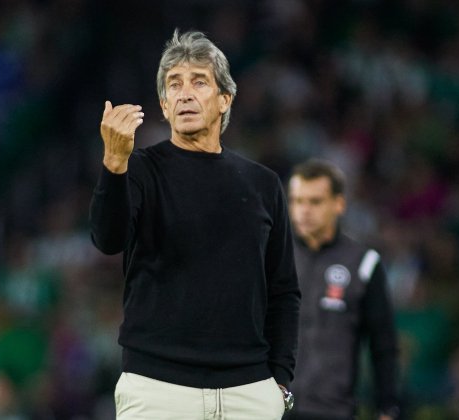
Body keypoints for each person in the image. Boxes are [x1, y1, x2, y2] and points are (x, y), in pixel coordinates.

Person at [89, 29, 301, 419]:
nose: (184, 92)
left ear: (225, 99)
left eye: (199, 81)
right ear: (165, 106)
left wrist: (280, 381)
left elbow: (284, 290)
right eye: (174, 84)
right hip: (157, 390)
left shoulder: (263, 184)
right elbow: (107, 239)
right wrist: (114, 164)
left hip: (249, 394)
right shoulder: (137, 171)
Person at [285, 159, 400, 420]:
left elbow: (383, 344)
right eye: (297, 201)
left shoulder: (363, 264)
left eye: (315, 202)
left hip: (333, 410)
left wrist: (388, 406)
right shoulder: (273, 258)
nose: (304, 210)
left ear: (338, 204)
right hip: (272, 409)